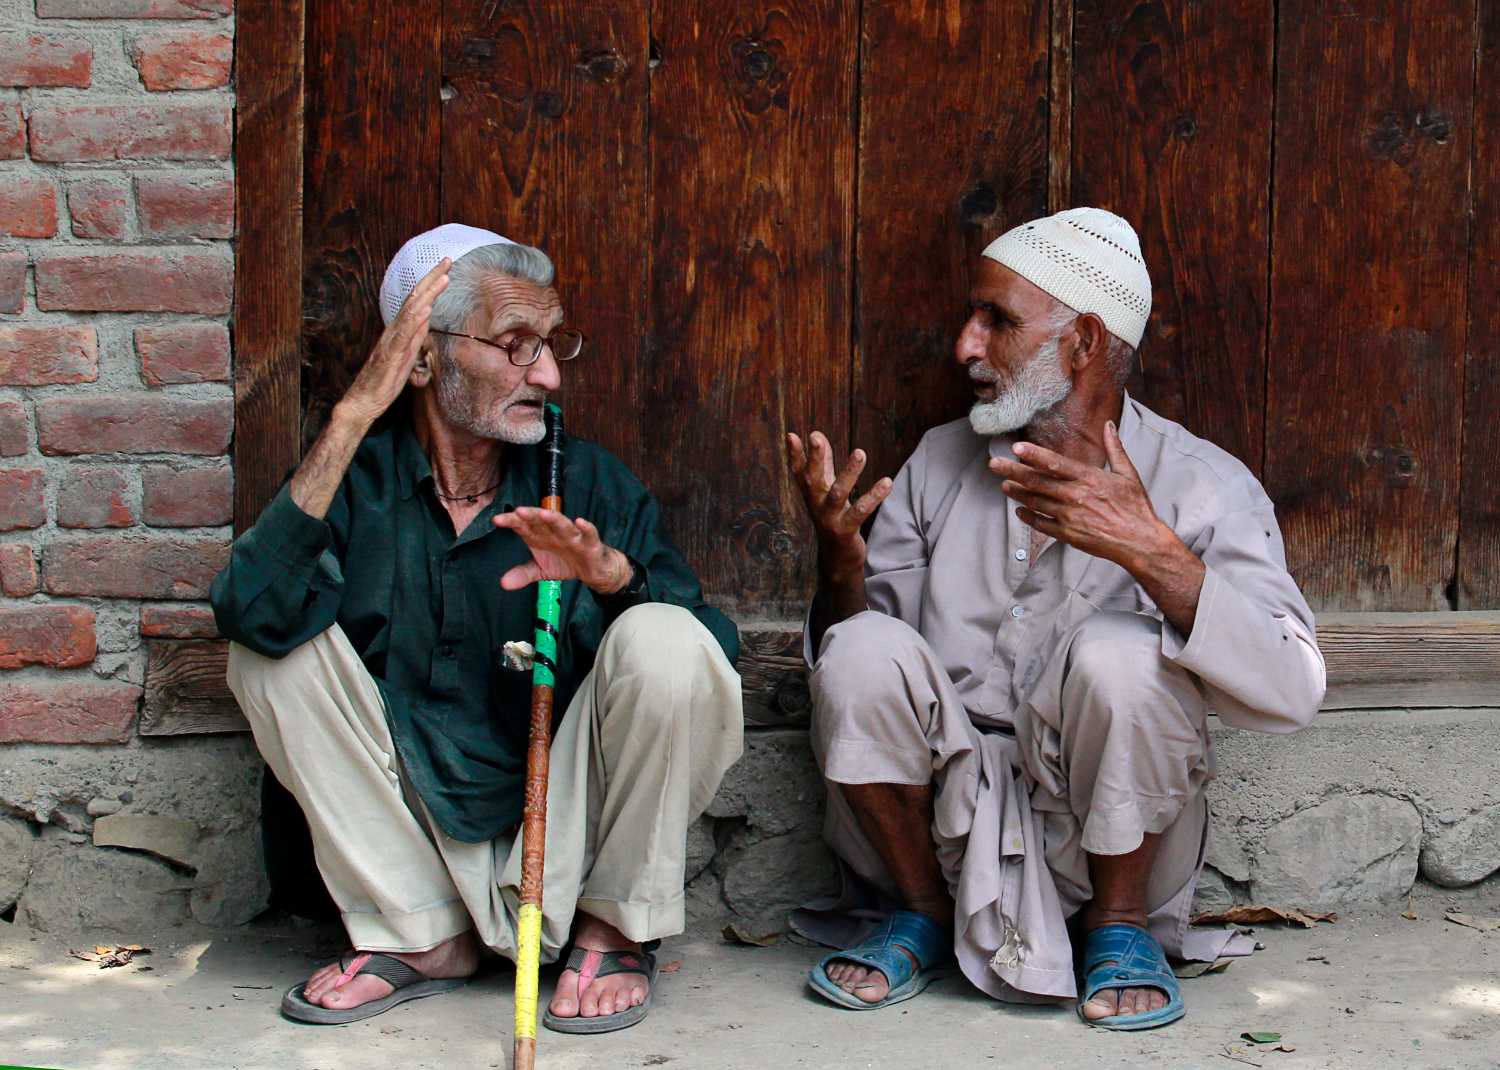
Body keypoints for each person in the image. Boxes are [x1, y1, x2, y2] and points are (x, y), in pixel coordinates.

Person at [786, 208, 1325, 1030]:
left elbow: (1293, 689)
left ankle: (1119, 925)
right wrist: (840, 565)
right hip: (939, 829)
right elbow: (861, 681)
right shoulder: (938, 461)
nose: (965, 346)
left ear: (1083, 343)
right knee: (860, 647)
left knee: (1125, 656)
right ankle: (925, 913)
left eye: (996, 320)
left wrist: (1152, 551)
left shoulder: (1203, 485)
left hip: (1104, 831)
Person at [212, 224, 743, 1032]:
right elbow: (248, 609)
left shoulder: (590, 481)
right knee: (268, 656)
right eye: (517, 345)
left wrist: (611, 580)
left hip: (562, 829)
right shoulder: (355, 484)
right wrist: (356, 413)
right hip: (409, 829)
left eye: (554, 344)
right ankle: (420, 936)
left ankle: (616, 927)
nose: (550, 373)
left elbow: (712, 657)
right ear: (423, 360)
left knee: (668, 638)